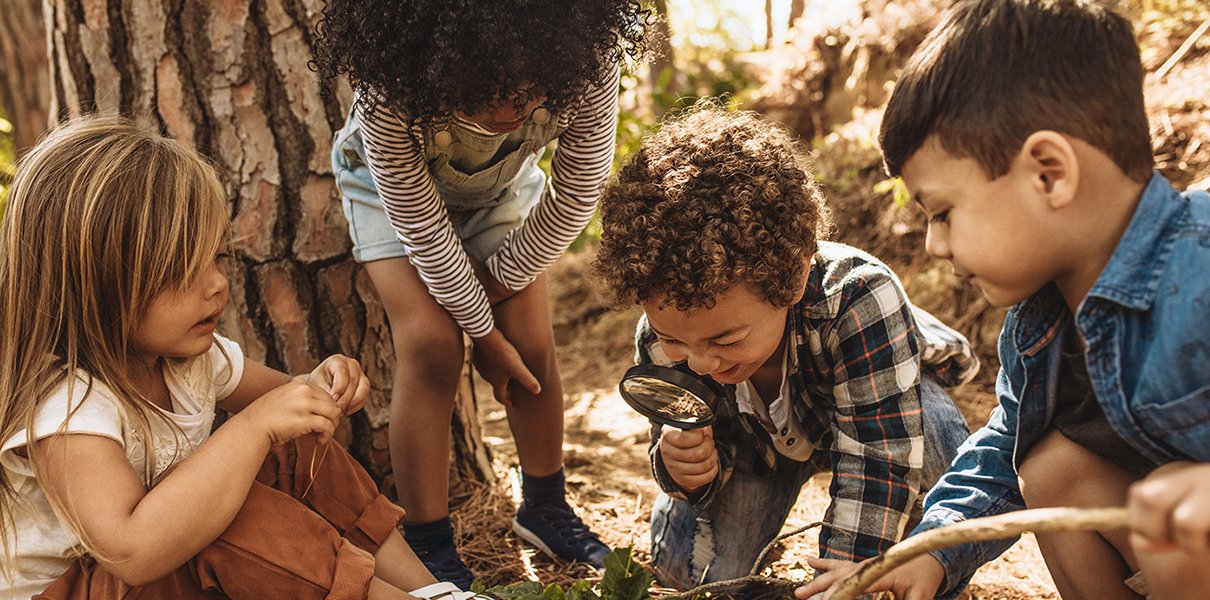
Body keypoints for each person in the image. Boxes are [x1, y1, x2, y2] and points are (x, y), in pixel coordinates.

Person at [798, 2, 1210, 599]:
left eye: (942, 213)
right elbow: (999, 453)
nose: (935, 246)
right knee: (1050, 467)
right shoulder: (1037, 327)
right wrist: (929, 550)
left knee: (1180, 496)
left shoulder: (1198, 264)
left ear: (1048, 173)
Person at [0, 115, 486, 600]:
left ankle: (434, 592)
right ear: (92, 288)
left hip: (159, 577)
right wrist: (253, 427)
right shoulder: (68, 408)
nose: (216, 284)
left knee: (295, 446)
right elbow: (133, 552)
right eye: (182, 270)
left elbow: (291, 405)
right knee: (229, 519)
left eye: (215, 258)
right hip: (87, 589)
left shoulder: (187, 360)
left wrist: (320, 386)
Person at [311, 2, 649, 587]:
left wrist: (494, 298)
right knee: (432, 346)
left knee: (533, 343)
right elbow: (421, 229)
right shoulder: (388, 91)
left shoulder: (586, 61)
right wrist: (481, 334)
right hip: (390, 196)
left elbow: (575, 196)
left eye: (525, 93)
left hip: (502, 191)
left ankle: (546, 507)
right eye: (480, 92)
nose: (505, 111)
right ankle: (429, 541)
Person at [590, 105, 978, 589]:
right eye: (675, 340)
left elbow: (877, 459)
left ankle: (927, 565)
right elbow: (680, 453)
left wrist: (844, 585)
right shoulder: (661, 338)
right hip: (757, 453)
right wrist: (681, 470)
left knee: (937, 435)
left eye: (725, 338)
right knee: (690, 579)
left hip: (871, 416)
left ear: (793, 277)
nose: (702, 362)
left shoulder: (857, 298)